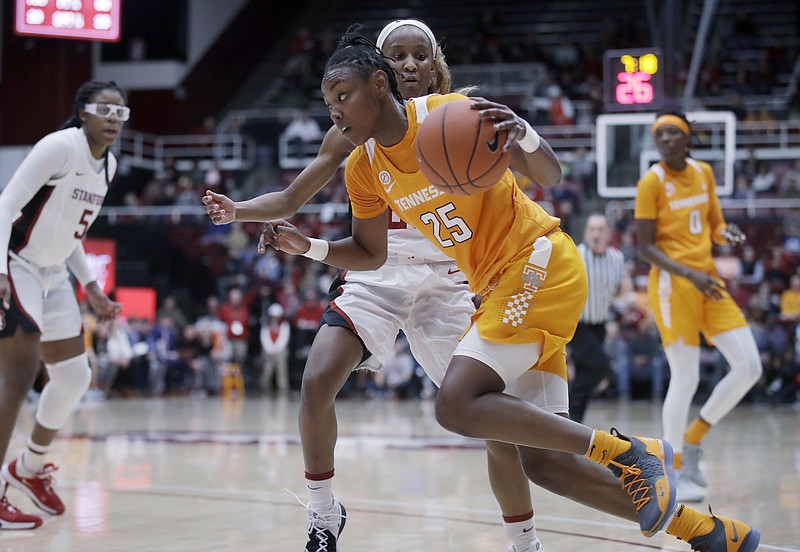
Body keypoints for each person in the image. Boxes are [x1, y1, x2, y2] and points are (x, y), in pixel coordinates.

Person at [261, 29, 760, 552]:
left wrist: (522, 133)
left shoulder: (451, 115)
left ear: (382, 83)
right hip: (500, 285)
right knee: (544, 460)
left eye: (342, 98)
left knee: (456, 404)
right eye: (329, 102)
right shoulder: (364, 167)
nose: (334, 112)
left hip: (535, 263)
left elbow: (549, 170)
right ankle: (708, 533)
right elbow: (369, 252)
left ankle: (629, 451)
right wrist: (309, 247)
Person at [206, 20, 552, 552]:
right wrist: (238, 211)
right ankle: (323, 516)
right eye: (397, 55)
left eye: (420, 55)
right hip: (378, 269)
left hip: (449, 278)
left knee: (490, 420)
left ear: (435, 65)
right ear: (381, 74)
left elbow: (527, 181)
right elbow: (291, 199)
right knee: (316, 380)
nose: (409, 64)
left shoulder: (457, 115)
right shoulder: (351, 129)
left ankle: (524, 542)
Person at [0, 81, 127, 529]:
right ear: (82, 112)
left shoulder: (108, 165)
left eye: (121, 112)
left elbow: (71, 231)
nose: (114, 118)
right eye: (104, 109)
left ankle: (29, 469)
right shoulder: (59, 147)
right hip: (15, 263)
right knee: (17, 374)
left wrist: (91, 286)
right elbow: (5, 205)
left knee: (75, 376)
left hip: (53, 275)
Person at [635, 110, 764, 504]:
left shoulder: (704, 173)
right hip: (675, 285)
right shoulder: (651, 182)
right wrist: (690, 275)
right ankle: (671, 472)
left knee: (749, 367)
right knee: (686, 377)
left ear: (687, 139)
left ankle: (693, 440)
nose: (665, 139)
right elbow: (645, 248)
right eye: (660, 134)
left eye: (673, 132)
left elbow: (714, 225)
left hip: (707, 280)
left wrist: (728, 233)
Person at [568, 213, 625, 422]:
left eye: (600, 229)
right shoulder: (575, 254)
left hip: (599, 324)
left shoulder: (617, 258)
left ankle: (573, 424)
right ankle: (568, 400)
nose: (596, 234)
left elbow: (617, 291)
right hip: (576, 324)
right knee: (600, 367)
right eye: (592, 229)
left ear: (609, 233)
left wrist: (613, 319)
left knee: (586, 374)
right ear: (585, 233)